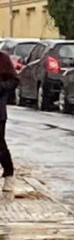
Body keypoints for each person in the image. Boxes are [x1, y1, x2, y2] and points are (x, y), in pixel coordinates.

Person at [0, 52, 19, 192]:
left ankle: (9, 173)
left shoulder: (3, 59)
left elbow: (14, 81)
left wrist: (1, 87)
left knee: (0, 145)